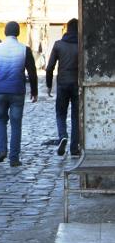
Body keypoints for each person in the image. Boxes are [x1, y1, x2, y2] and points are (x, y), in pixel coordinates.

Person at [0, 21, 38, 167]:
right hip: (17, 91)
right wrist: (34, 91)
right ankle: (14, 158)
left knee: (1, 121)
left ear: (5, 32)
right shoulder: (24, 49)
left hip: (1, 91)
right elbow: (32, 72)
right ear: (18, 33)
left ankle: (2, 150)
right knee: (16, 124)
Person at [46, 18, 79, 157]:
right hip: (77, 84)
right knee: (76, 117)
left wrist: (48, 85)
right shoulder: (82, 44)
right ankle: (74, 148)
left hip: (62, 85)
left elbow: (49, 68)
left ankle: (62, 136)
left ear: (67, 29)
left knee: (60, 113)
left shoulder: (58, 44)